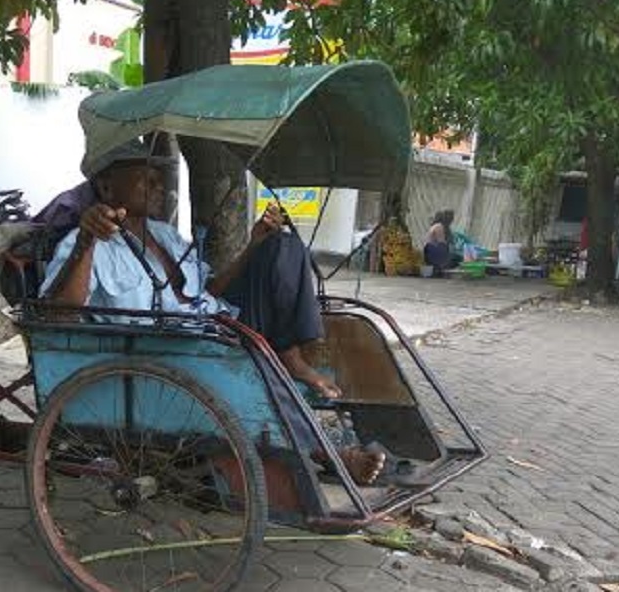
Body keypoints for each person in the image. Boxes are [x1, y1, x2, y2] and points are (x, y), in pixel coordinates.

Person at [41, 140, 386, 484]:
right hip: (170, 348)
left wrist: (253, 244)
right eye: (147, 180)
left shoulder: (165, 235)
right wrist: (87, 240)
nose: (159, 187)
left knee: (284, 246)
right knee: (254, 370)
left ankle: (290, 357)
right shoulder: (80, 243)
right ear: (106, 186)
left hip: (216, 321)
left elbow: (207, 290)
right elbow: (61, 315)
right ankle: (327, 451)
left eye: (159, 179)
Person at [423, 209, 455, 275]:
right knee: (451, 253)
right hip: (432, 252)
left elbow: (451, 241)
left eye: (452, 218)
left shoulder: (444, 228)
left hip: (431, 251)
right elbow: (442, 243)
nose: (451, 220)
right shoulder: (439, 227)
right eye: (450, 217)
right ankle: (442, 269)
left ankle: (441, 269)